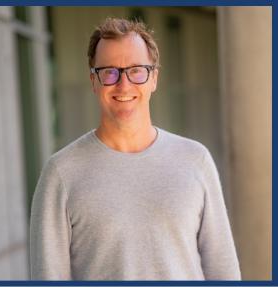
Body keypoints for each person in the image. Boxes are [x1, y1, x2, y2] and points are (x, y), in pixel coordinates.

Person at [30, 17, 241, 280]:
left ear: (154, 78)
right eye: (109, 72)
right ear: (94, 81)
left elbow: (224, 271)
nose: (124, 84)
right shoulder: (61, 173)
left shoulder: (195, 160)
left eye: (137, 70)